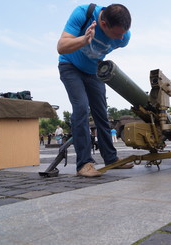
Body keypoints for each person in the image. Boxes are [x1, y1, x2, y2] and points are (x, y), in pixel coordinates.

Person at [57, 3, 134, 177]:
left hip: (93, 72)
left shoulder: (124, 38)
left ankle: (111, 159)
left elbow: (113, 43)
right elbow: (61, 46)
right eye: (117, 34)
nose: (121, 38)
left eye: (123, 33)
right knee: (81, 107)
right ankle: (84, 164)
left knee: (101, 113)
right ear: (104, 25)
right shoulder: (83, 13)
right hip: (70, 66)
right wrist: (83, 40)